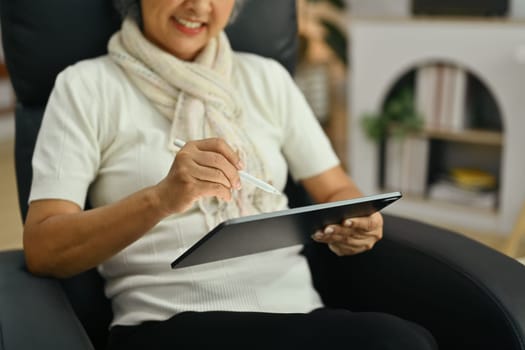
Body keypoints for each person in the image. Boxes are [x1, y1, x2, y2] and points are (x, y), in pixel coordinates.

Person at [23, 0, 438, 349]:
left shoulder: (267, 79)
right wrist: (161, 198)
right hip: (168, 324)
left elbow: (334, 188)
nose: (199, 6)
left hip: (299, 315)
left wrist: (355, 221)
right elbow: (44, 248)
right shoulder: (86, 86)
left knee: (406, 340)